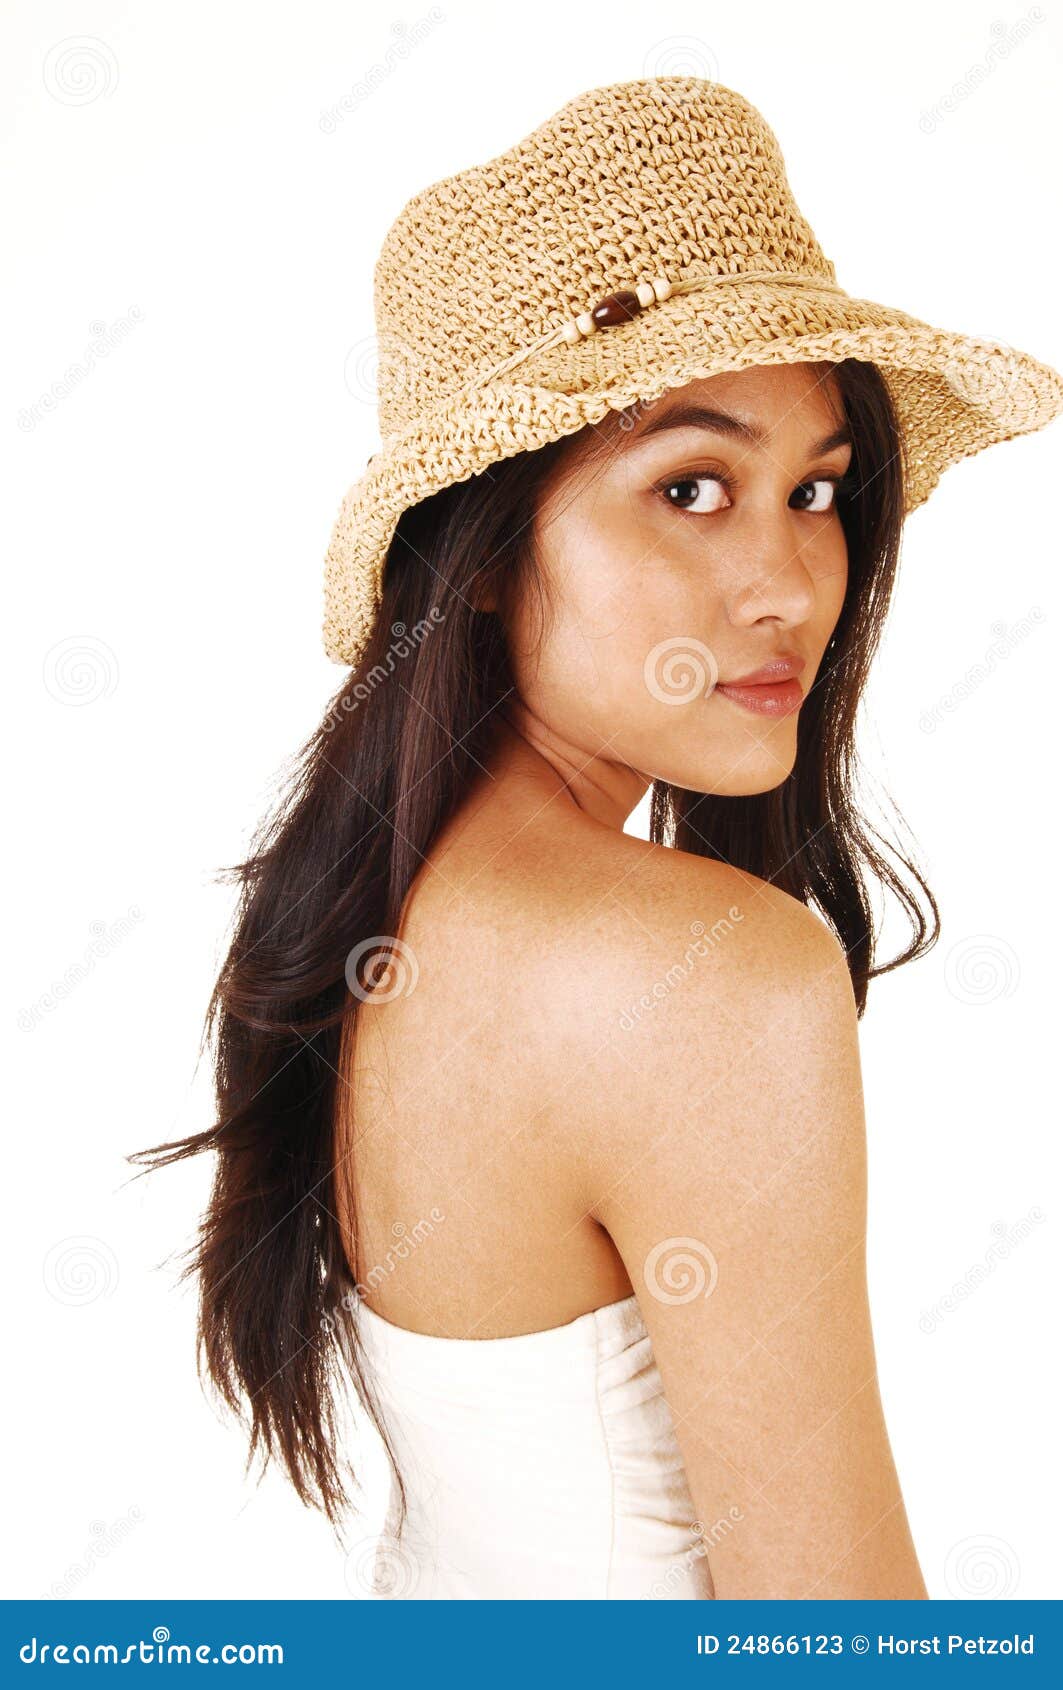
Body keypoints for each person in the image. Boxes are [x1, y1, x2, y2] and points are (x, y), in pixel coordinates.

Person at [130, 76, 1063, 1600]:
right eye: (689, 485)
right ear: (484, 549)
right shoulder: (707, 975)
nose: (787, 584)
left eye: (816, 489)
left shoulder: (382, 907)